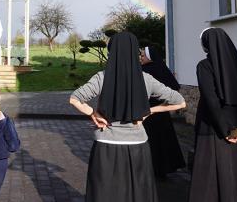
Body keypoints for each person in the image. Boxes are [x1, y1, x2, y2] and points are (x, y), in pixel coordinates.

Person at [69, 32, 186, 202]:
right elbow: (180, 102)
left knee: (105, 192)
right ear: (134, 52)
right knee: (137, 192)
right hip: (137, 144)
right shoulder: (146, 79)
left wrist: (93, 113)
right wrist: (149, 111)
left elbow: (74, 98)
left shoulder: (102, 77)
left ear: (112, 51)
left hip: (106, 145)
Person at [189, 27, 237, 202]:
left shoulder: (204, 66)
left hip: (214, 129)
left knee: (213, 177)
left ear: (206, 45)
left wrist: (226, 130)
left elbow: (212, 101)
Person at [140, 46, 186, 177]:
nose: (141, 58)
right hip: (162, 110)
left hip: (148, 111)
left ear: (150, 57)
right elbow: (174, 87)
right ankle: (164, 169)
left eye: (143, 56)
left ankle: (150, 169)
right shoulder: (162, 68)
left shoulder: (144, 71)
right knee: (163, 141)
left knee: (151, 141)